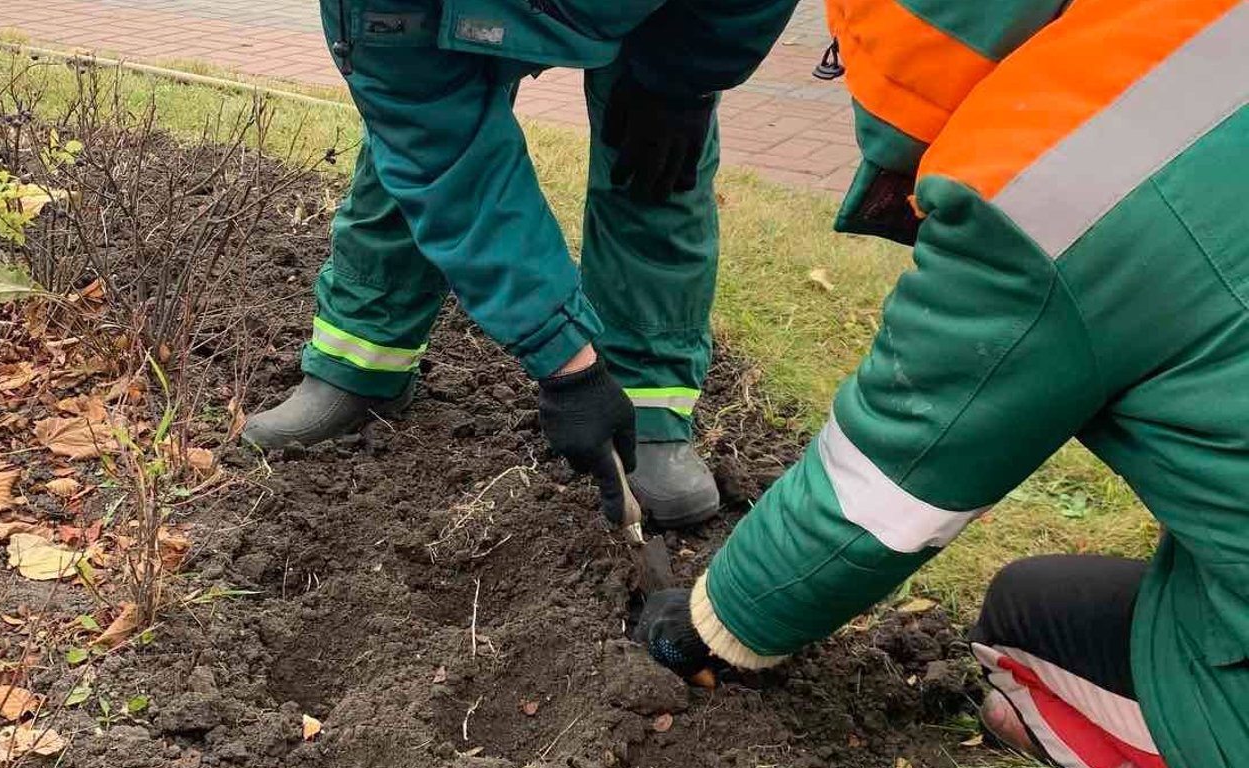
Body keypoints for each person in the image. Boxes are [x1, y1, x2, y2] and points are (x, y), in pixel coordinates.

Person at [632, 1, 1249, 766]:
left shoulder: (1046, 189)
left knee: (1015, 651)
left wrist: (707, 626)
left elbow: (880, 492)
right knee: (1041, 602)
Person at [242, 0, 797, 530]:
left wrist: (688, 74)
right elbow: (446, 159)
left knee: (654, 164)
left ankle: (648, 409)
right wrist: (570, 368)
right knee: (417, 148)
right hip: (430, 19)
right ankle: (361, 358)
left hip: (652, 15)